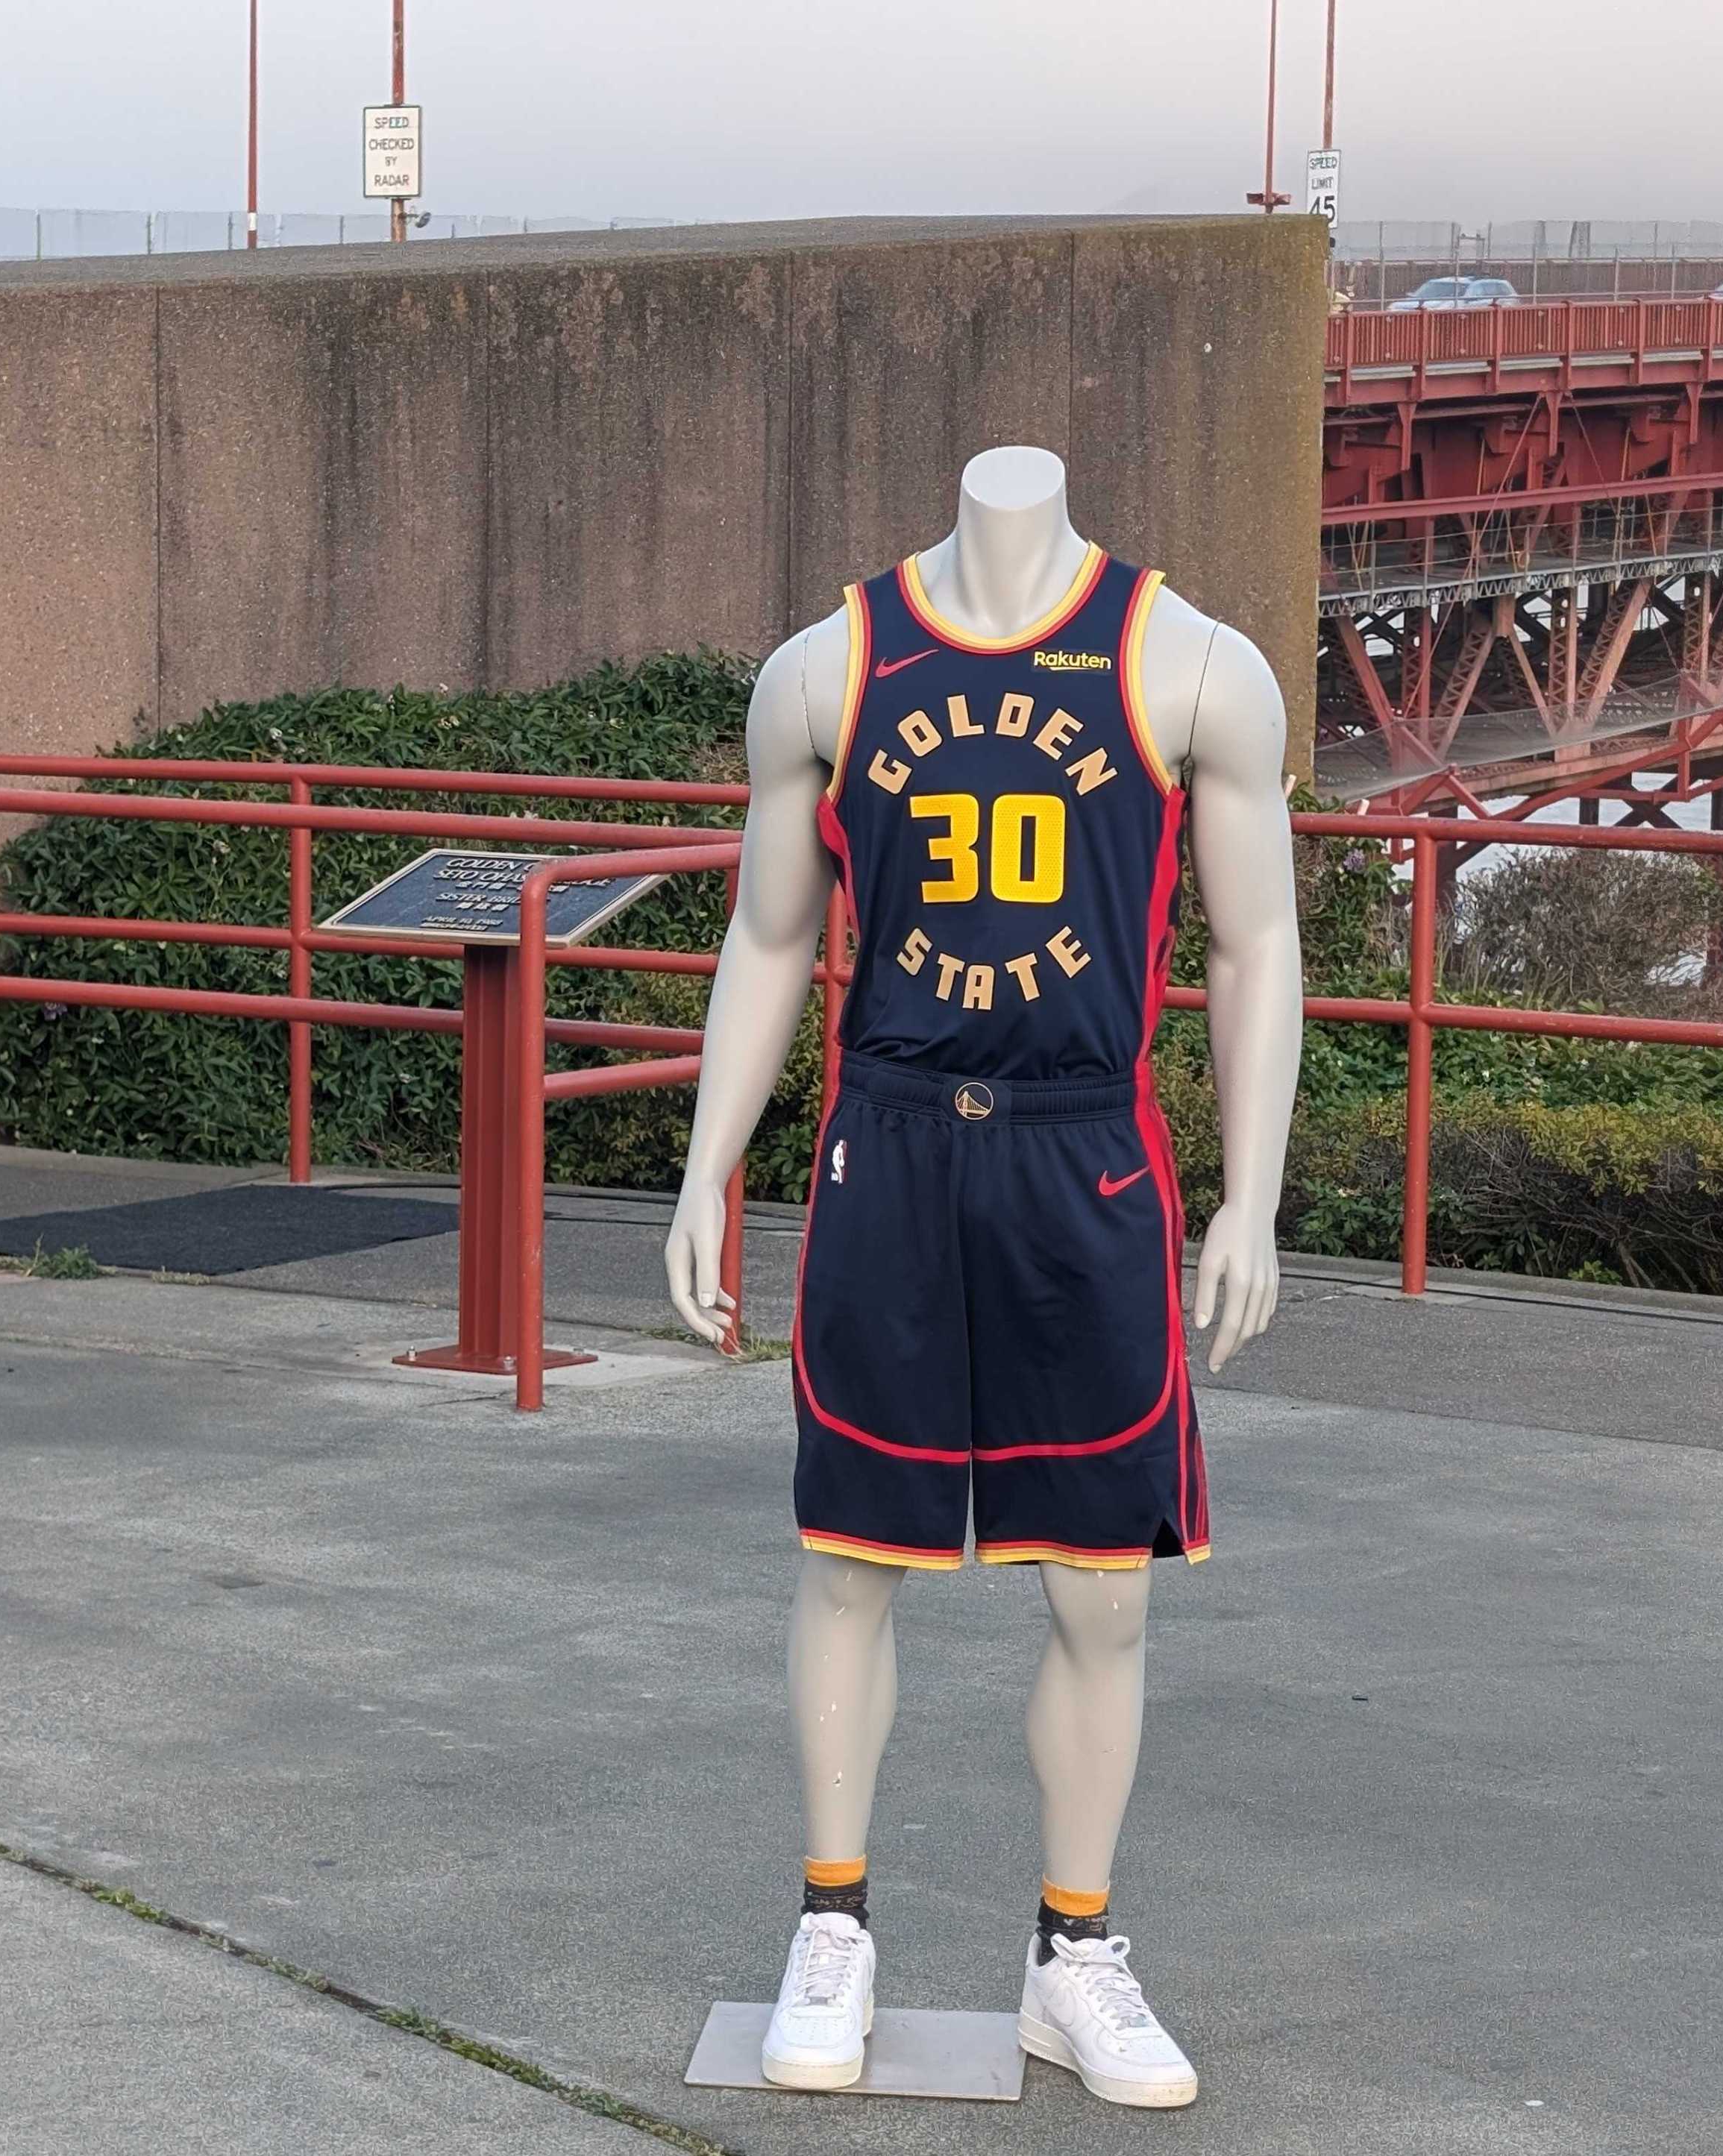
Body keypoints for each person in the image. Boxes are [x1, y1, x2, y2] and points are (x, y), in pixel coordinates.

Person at [665, 446, 1304, 2107]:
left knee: (1108, 1585)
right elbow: (771, 936)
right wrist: (707, 1158)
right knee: (847, 1554)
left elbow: (1257, 945)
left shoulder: (1194, 665)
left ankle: (1073, 1953)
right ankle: (833, 1927)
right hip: (889, 1145)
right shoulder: (828, 668)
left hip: (1081, 1152)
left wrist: (1255, 1195)